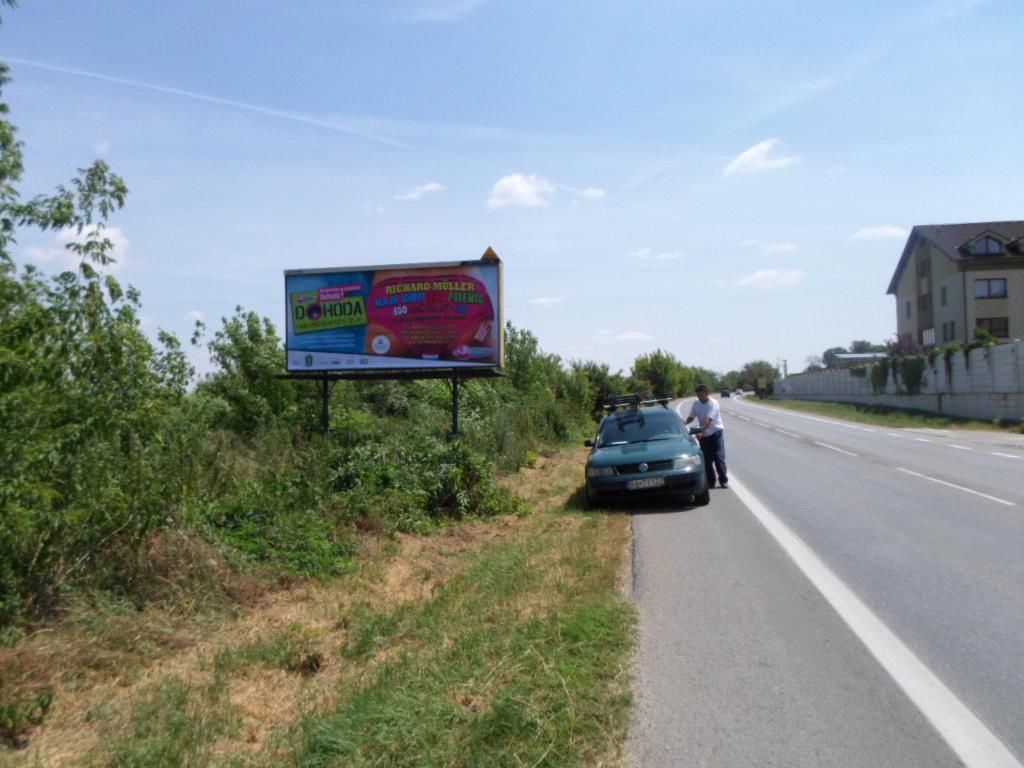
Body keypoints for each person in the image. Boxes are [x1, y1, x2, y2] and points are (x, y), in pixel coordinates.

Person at [685, 384, 728, 489]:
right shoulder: (696, 404)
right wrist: (683, 424)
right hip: (704, 435)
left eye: (702, 395)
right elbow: (691, 416)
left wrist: (700, 431)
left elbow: (708, 421)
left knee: (718, 457)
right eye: (698, 395)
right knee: (707, 460)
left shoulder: (713, 404)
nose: (700, 397)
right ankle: (711, 482)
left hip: (715, 433)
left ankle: (723, 480)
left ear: (707, 394)